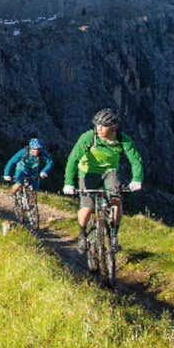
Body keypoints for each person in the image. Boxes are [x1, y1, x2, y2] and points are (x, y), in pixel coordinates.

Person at [63, 108, 144, 253]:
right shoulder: (89, 137)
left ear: (114, 127)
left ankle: (113, 236)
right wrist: (68, 182)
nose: (99, 129)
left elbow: (135, 160)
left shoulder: (122, 139)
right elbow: (73, 159)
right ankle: (82, 235)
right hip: (87, 173)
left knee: (116, 201)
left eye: (103, 126)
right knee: (87, 207)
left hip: (109, 172)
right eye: (97, 125)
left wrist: (136, 179)